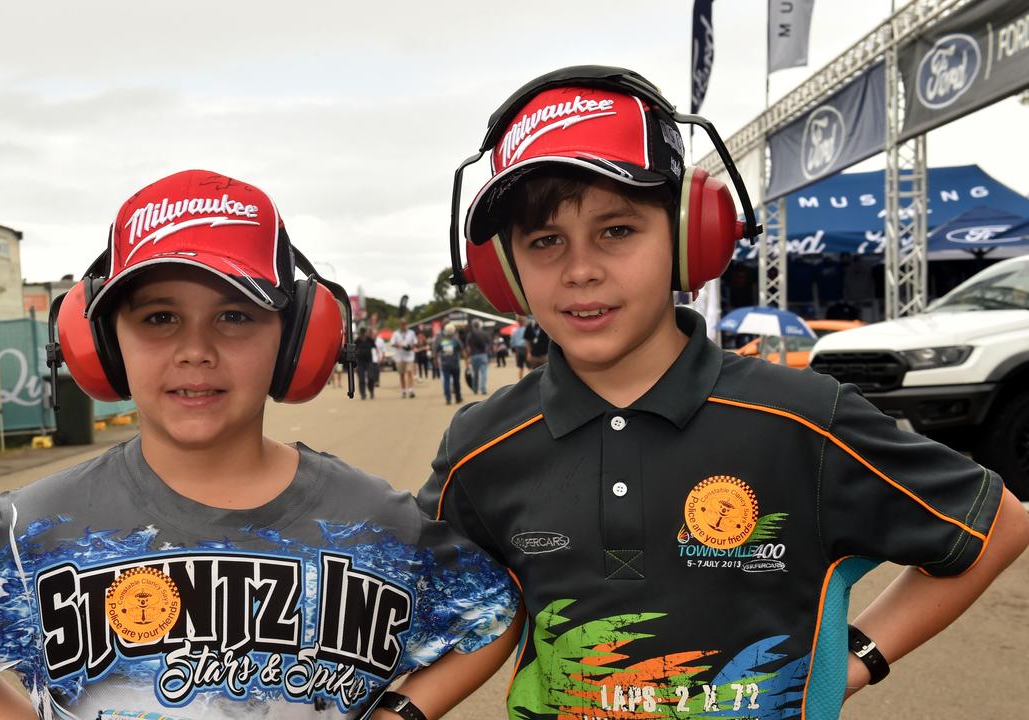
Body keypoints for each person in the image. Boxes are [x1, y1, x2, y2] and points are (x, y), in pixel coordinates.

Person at [420, 68, 1029, 720]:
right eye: (544, 241)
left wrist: (858, 660)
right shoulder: (481, 448)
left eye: (617, 230)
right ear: (504, 270)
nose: (580, 269)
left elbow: (996, 527)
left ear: (689, 236)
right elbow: (420, 604)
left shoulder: (801, 420)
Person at [0, 169, 521, 720]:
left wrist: (403, 712)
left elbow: (492, 612)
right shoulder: (42, 526)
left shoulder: (374, 521)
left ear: (297, 338)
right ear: (102, 345)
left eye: (235, 315)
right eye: (159, 318)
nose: (196, 350)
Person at [435, 322, 465, 406]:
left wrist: (435, 361)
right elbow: (462, 350)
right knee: (456, 382)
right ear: (453, 331)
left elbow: (436, 351)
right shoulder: (456, 340)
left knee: (446, 382)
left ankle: (448, 399)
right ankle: (458, 398)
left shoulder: (442, 340)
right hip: (455, 364)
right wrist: (466, 361)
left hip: (445, 364)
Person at [389, 318, 417, 399]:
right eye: (402, 324)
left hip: (409, 356)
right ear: (400, 325)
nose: (403, 325)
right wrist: (399, 346)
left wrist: (410, 347)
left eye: (404, 324)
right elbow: (392, 343)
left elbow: (415, 342)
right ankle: (403, 390)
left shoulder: (411, 333)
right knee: (401, 374)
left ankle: (411, 390)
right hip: (399, 356)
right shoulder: (395, 333)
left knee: (409, 371)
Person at [465, 319, 491, 395]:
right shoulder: (484, 333)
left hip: (474, 356)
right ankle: (483, 389)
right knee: (484, 373)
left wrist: (468, 357)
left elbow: (468, 348)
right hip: (483, 355)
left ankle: (475, 389)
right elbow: (489, 344)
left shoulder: (470, 335)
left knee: (475, 373)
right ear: (479, 325)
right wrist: (487, 353)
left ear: (473, 326)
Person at [353, 325, 377, 399]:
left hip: (369, 361)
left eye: (364, 332)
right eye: (361, 332)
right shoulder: (357, 340)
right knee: (361, 379)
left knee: (371, 377)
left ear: (366, 333)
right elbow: (353, 351)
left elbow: (375, 348)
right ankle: (363, 394)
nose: (363, 334)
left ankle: (371, 390)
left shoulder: (370, 340)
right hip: (360, 362)